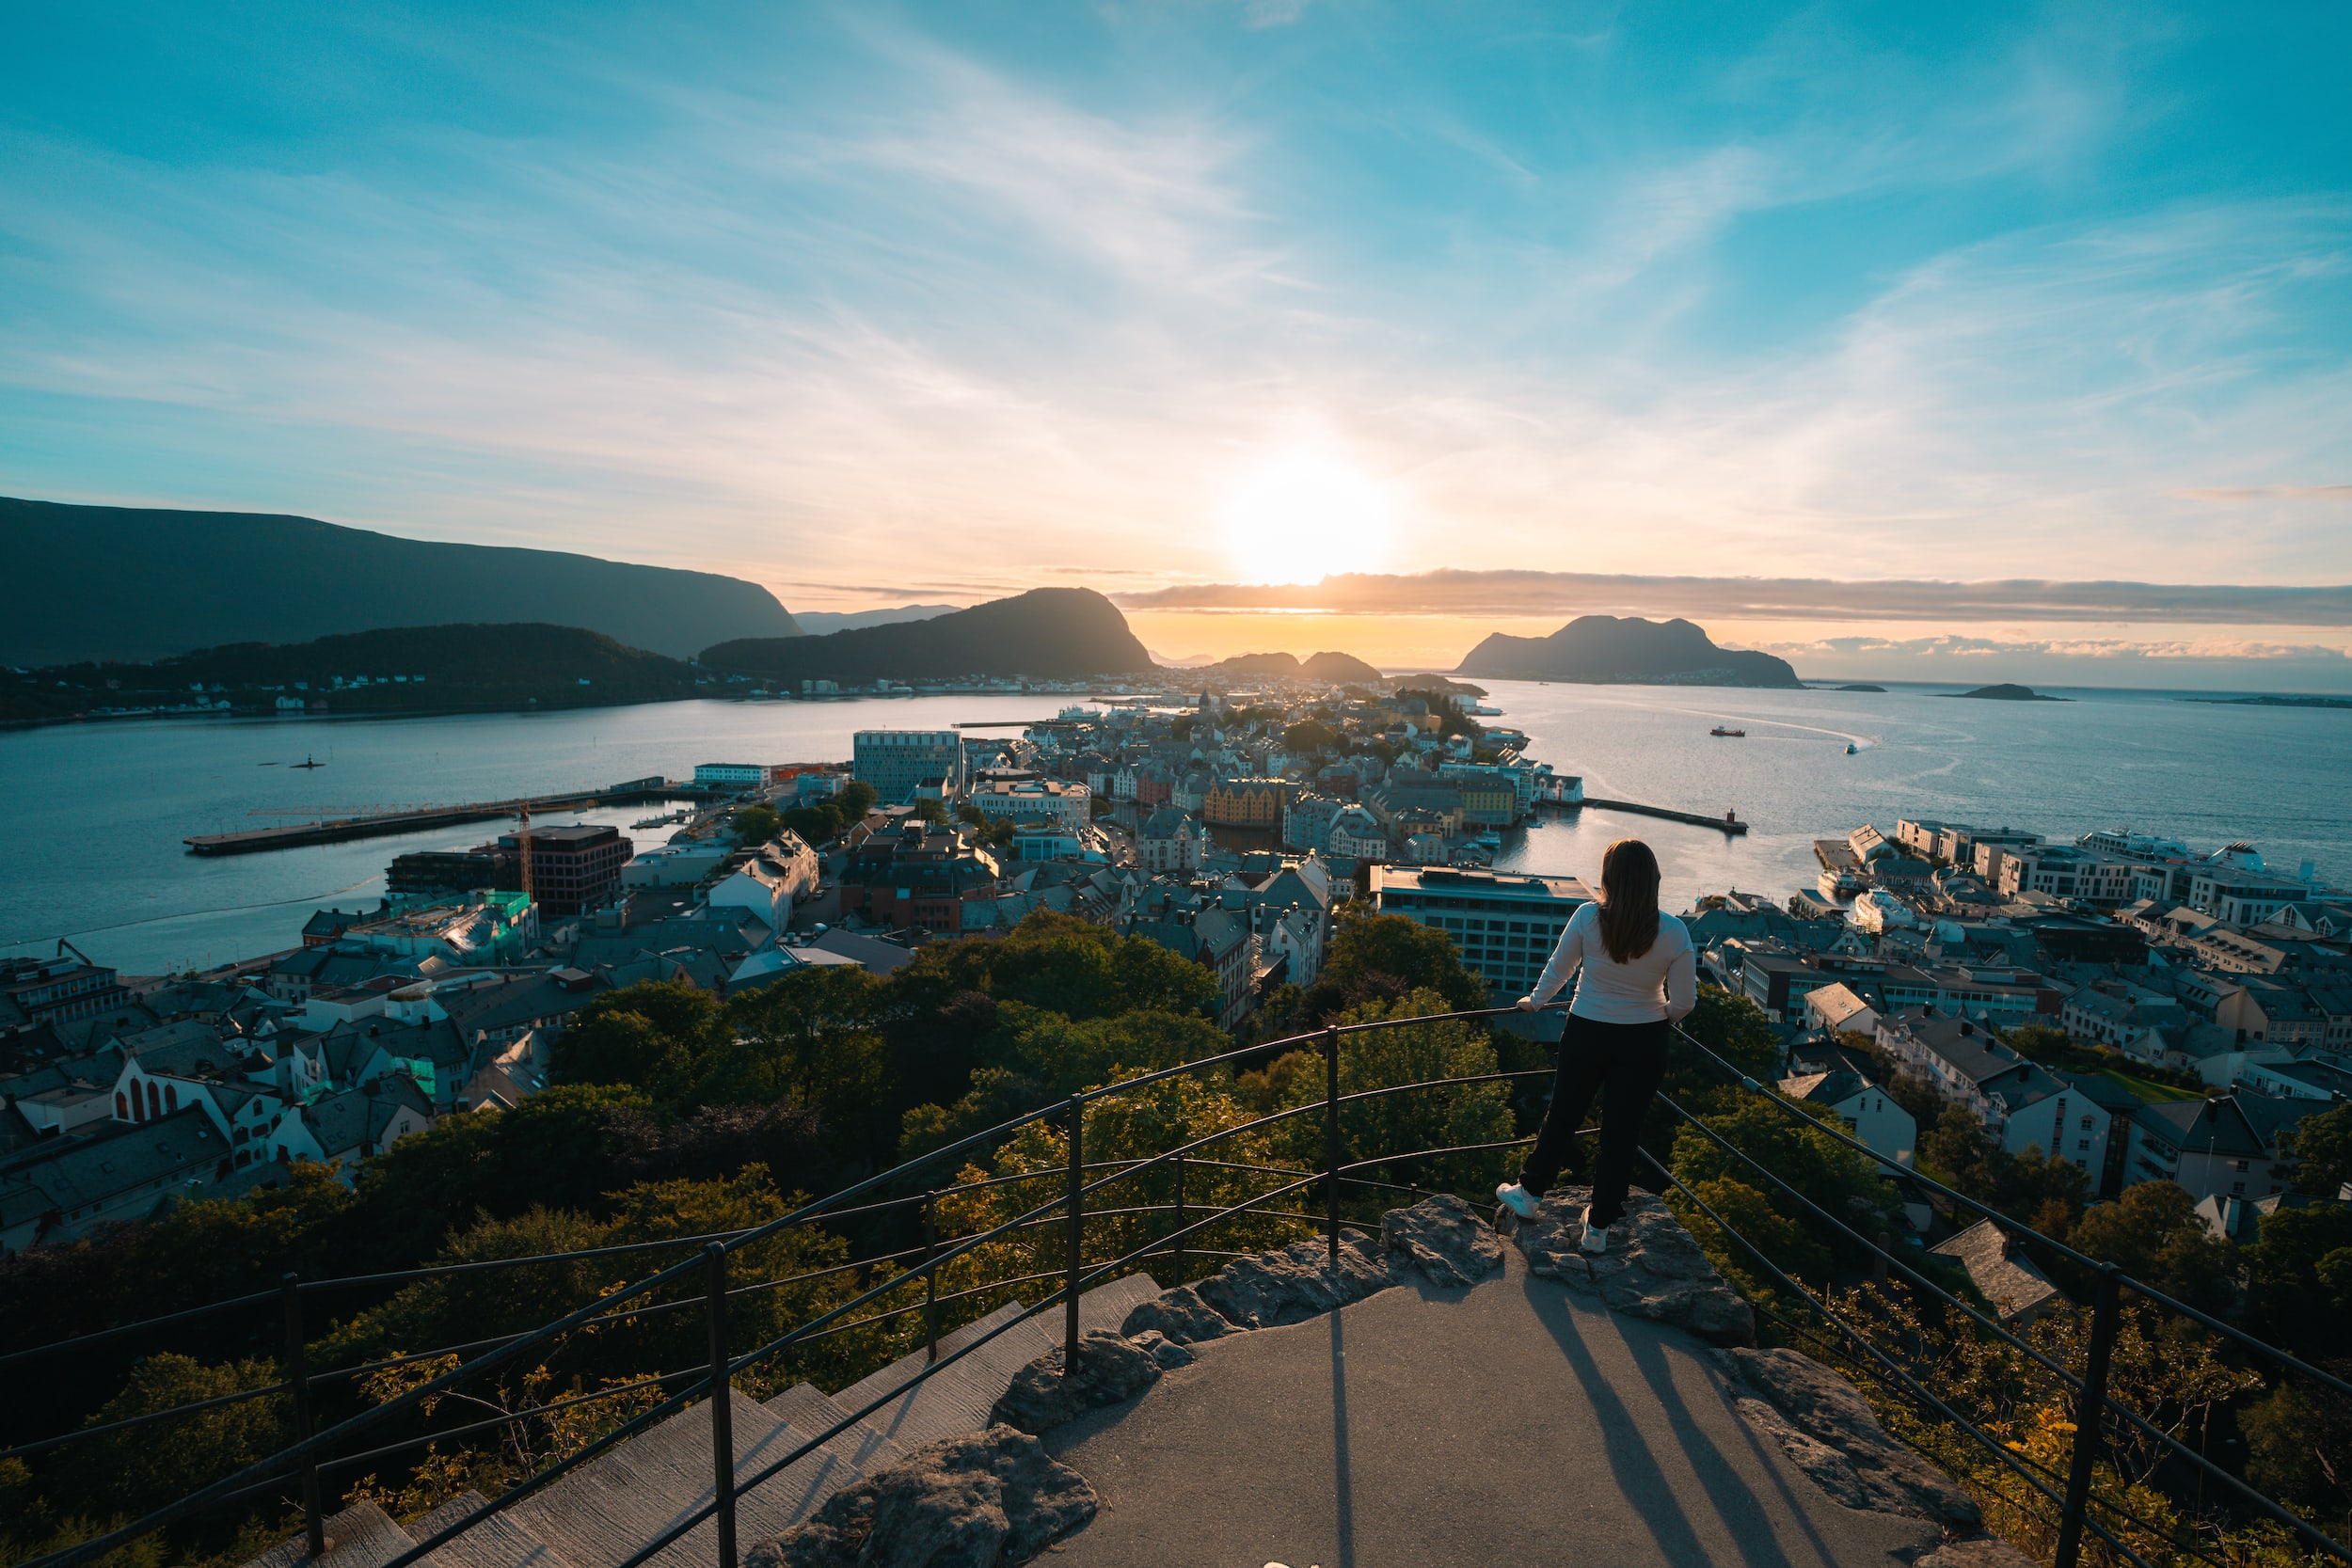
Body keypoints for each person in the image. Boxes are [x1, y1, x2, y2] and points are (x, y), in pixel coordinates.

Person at [1494, 838, 1695, 1254]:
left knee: (1563, 1114)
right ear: (1653, 880)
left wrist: (1536, 1001)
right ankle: (1599, 1226)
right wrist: (1659, 1020)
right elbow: (1684, 1002)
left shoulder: (1588, 917)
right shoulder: (1675, 932)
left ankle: (1529, 1194)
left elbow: (1560, 969)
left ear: (1608, 878)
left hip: (1587, 1029)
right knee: (1621, 1133)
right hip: (1644, 1040)